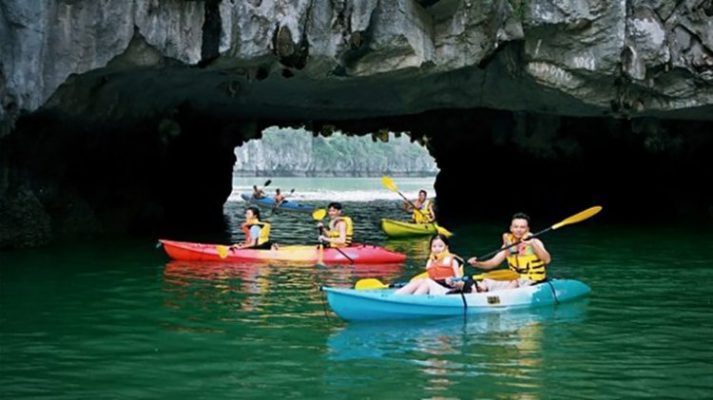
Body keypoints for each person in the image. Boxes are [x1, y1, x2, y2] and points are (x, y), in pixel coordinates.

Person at [467, 212, 551, 292]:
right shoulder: (508, 245)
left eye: (522, 227)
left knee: (515, 282)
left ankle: (501, 296)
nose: (519, 230)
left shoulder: (535, 242)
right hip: (514, 277)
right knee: (486, 280)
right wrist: (477, 264)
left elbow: (547, 260)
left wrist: (533, 244)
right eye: (516, 227)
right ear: (511, 228)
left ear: (527, 229)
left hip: (533, 279)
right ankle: (479, 291)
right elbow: (492, 263)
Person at [395, 234, 463, 295]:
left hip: (448, 291)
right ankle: (396, 296)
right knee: (420, 281)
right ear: (431, 248)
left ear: (446, 247)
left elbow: (461, 283)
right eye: (434, 246)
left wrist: (453, 282)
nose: (437, 249)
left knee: (427, 282)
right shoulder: (430, 261)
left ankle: (414, 299)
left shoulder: (453, 261)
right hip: (434, 289)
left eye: (440, 246)